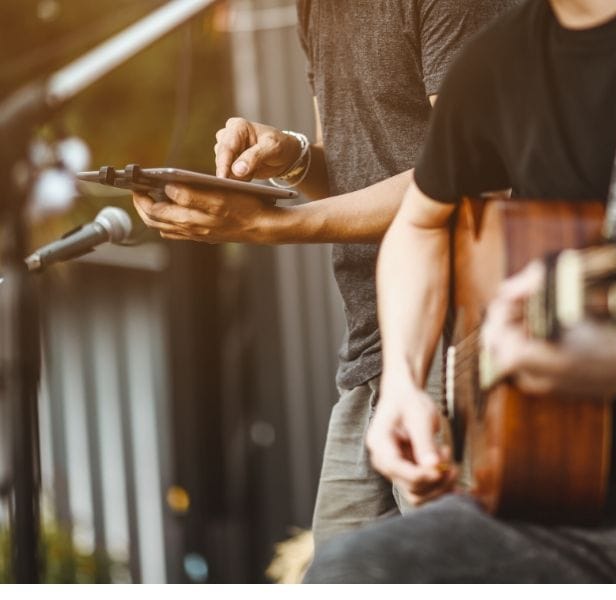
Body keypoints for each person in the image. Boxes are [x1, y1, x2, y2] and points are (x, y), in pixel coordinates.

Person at [304, 0, 616, 583]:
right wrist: (404, 387)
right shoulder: (496, 61)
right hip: (560, 499)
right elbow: (419, 224)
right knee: (356, 571)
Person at [132, 0, 516, 547]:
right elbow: (356, 172)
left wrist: (272, 226)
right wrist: (289, 158)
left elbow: (476, 175)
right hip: (370, 350)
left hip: (459, 345)